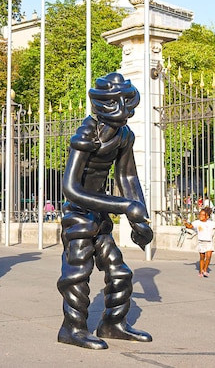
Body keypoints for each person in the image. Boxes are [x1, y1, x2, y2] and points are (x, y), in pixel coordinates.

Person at [57, 72, 153, 350]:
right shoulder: (88, 133)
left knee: (120, 272)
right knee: (77, 273)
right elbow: (71, 188)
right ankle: (72, 328)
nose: (124, 113)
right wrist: (125, 207)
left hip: (99, 213)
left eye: (127, 105)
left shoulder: (124, 135)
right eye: (118, 105)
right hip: (77, 213)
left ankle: (113, 324)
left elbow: (128, 178)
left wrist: (141, 219)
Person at [183, 206, 215, 277]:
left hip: (209, 242)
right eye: (200, 214)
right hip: (201, 242)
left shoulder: (210, 223)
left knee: (208, 257)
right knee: (202, 258)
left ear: (207, 216)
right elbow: (189, 226)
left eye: (203, 215)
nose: (201, 216)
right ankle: (200, 271)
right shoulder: (197, 223)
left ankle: (205, 270)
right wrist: (185, 223)